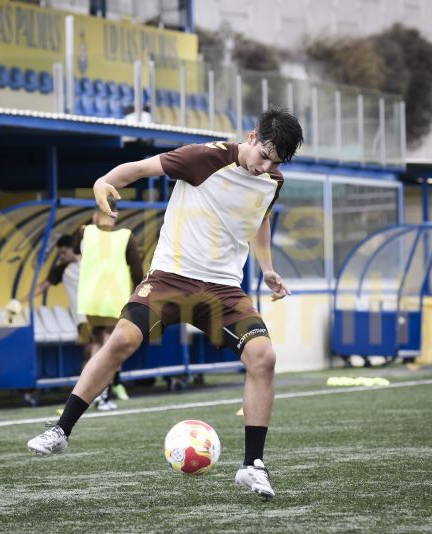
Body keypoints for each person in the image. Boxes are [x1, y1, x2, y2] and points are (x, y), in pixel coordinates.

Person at [27, 106, 304, 501]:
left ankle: (252, 466)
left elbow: (260, 218)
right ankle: (60, 430)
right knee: (121, 340)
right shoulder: (202, 158)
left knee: (264, 357)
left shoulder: (272, 181)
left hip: (223, 289)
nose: (265, 168)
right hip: (170, 280)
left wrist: (267, 267)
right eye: (263, 156)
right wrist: (105, 180)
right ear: (252, 136)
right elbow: (140, 168)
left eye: (274, 163)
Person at [74, 199, 144, 410]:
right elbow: (137, 272)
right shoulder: (125, 236)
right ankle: (101, 395)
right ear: (116, 214)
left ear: (96, 214)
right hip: (113, 300)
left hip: (90, 300)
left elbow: (78, 246)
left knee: (96, 344)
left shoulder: (85, 232)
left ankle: (91, 393)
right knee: (108, 348)